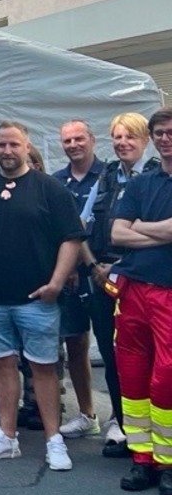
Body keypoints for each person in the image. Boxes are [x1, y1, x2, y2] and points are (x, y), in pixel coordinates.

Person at [0, 122, 84, 470]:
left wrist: (56, 283)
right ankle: (6, 437)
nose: (7, 151)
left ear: (26, 146)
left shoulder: (50, 189)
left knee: (44, 370)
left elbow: (71, 238)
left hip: (37, 300)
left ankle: (54, 441)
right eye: (2, 145)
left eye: (14, 145)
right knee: (1, 366)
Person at [88, 112, 160, 457]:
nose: (122, 143)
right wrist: (93, 267)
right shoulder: (107, 177)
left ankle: (163, 445)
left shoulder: (156, 176)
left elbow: (132, 236)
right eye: (117, 137)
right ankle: (129, 432)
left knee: (161, 366)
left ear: (145, 140)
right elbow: (89, 225)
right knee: (118, 362)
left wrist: (133, 238)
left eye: (130, 137)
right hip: (107, 282)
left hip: (150, 282)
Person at [112, 107, 172, 495]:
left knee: (167, 377)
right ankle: (143, 459)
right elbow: (117, 233)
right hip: (133, 290)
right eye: (160, 132)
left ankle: (169, 463)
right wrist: (162, 232)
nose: (166, 138)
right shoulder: (140, 184)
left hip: (169, 292)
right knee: (132, 376)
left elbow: (131, 229)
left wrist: (139, 228)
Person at [50, 120, 104, 440]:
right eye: (67, 140)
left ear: (92, 140)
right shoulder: (56, 182)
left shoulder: (109, 176)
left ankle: (124, 419)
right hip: (72, 276)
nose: (73, 145)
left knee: (119, 349)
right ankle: (88, 414)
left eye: (79, 138)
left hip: (105, 272)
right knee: (76, 343)